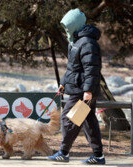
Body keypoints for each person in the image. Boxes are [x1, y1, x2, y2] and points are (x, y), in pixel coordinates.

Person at [47, 8, 105, 165]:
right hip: (80, 88)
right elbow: (72, 68)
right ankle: (98, 156)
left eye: (67, 26)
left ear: (75, 24)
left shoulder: (87, 43)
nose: (65, 30)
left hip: (82, 91)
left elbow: (92, 69)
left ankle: (63, 153)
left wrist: (88, 90)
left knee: (68, 118)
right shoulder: (77, 42)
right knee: (88, 121)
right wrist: (63, 83)